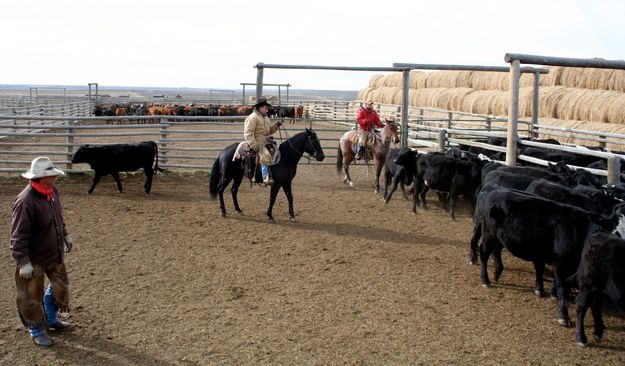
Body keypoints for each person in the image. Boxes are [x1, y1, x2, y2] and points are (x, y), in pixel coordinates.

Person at [10, 157, 74, 347]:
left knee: (60, 286)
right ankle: (36, 328)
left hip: (53, 251)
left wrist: (65, 234)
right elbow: (18, 235)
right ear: (40, 178)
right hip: (34, 257)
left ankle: (51, 316)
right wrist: (23, 262)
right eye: (49, 175)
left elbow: (57, 217)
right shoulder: (25, 201)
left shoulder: (52, 192)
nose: (54, 177)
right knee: (31, 294)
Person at [243, 98, 282, 184]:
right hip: (258, 142)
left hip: (267, 141)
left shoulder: (266, 118)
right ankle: (265, 177)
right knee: (266, 155)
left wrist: (276, 125)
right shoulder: (252, 117)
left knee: (279, 151)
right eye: (265, 107)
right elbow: (248, 133)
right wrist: (254, 145)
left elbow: (269, 131)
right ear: (260, 108)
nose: (267, 109)